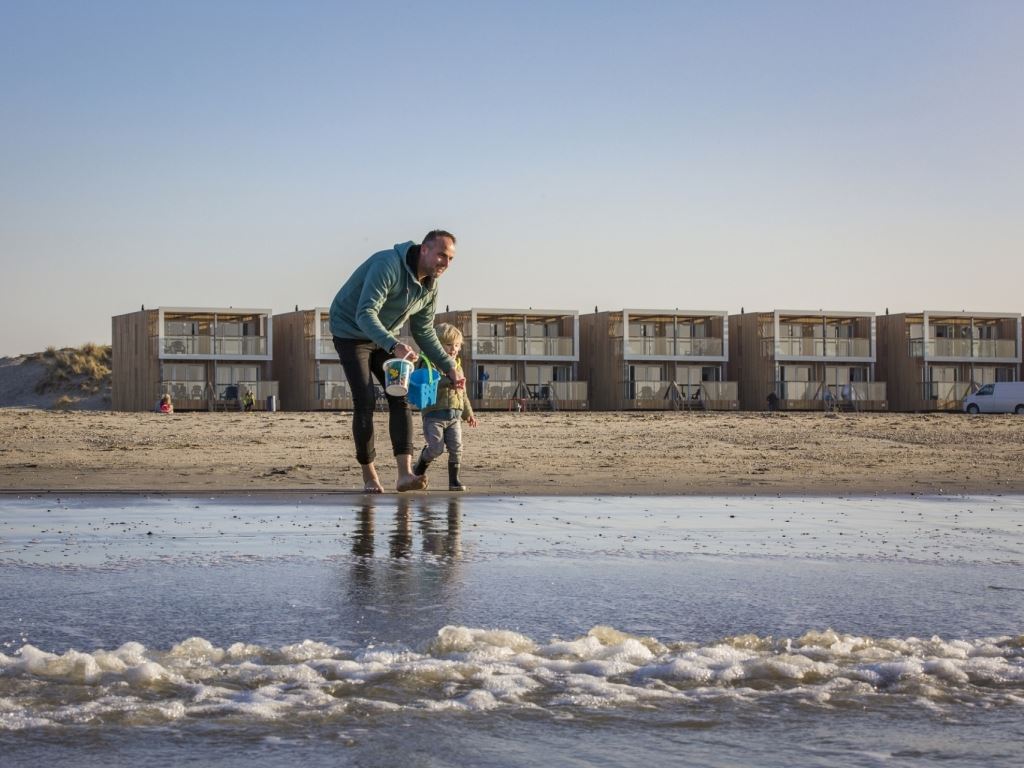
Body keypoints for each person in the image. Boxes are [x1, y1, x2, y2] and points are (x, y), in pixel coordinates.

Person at [330, 230, 464, 494]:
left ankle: (405, 474)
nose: (445, 264)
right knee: (365, 399)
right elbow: (364, 313)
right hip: (350, 331)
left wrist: (449, 367)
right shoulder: (387, 265)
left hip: (383, 337)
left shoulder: (429, 287)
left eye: (450, 259)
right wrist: (394, 345)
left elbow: (424, 331)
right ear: (424, 249)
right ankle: (369, 475)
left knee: (399, 395)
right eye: (441, 255)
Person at [413, 323, 478, 491]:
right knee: (436, 448)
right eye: (448, 344)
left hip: (454, 416)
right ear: (436, 345)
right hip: (434, 415)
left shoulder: (458, 366)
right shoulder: (428, 363)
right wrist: (450, 380)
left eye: (456, 345)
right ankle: (419, 468)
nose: (453, 349)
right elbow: (428, 382)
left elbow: (462, 393)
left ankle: (454, 480)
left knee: (457, 447)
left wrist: (468, 414)